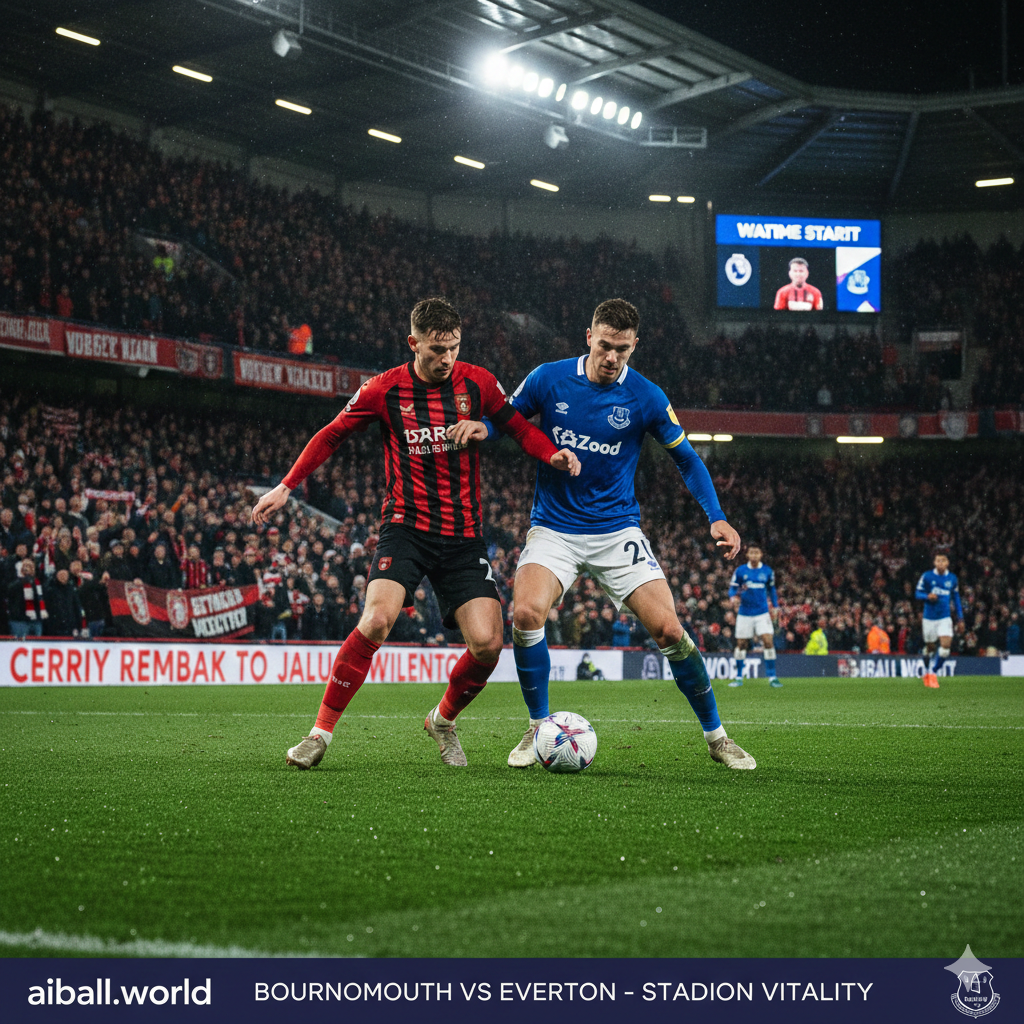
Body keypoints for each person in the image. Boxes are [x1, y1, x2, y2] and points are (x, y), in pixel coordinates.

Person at [252, 297, 580, 769]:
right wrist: (287, 486)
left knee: (488, 645)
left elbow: (516, 426)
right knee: (377, 620)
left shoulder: (479, 382)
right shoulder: (384, 390)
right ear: (413, 343)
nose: (446, 359)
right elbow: (331, 434)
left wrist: (550, 454)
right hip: (405, 528)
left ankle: (442, 721)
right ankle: (319, 734)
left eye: (453, 348)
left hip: (463, 537)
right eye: (435, 349)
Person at [449, 297, 753, 770]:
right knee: (526, 613)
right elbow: (508, 419)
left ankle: (717, 737)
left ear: (635, 347)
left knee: (670, 629)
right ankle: (537, 727)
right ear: (589, 337)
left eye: (623, 350)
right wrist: (482, 428)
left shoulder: (647, 397)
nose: (612, 358)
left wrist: (716, 515)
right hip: (553, 526)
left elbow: (687, 458)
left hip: (616, 531)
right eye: (606, 346)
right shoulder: (549, 378)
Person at [727, 544, 781, 688]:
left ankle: (772, 677)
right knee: (741, 645)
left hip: (762, 612)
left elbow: (772, 590)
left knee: (768, 641)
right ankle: (738, 677)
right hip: (744, 613)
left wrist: (775, 606)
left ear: (761, 554)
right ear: (748, 555)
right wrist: (733, 597)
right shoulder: (741, 571)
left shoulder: (767, 571)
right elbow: (732, 588)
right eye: (752, 552)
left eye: (757, 552)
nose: (754, 555)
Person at [915, 552, 962, 689]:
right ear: (934, 563)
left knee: (945, 648)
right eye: (938, 561)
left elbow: (956, 599)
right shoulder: (927, 576)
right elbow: (917, 593)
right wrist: (927, 596)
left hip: (944, 617)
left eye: (943, 560)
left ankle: (932, 673)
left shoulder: (952, 579)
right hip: (929, 618)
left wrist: (960, 618)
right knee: (930, 648)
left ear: (947, 563)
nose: (940, 563)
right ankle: (926, 666)